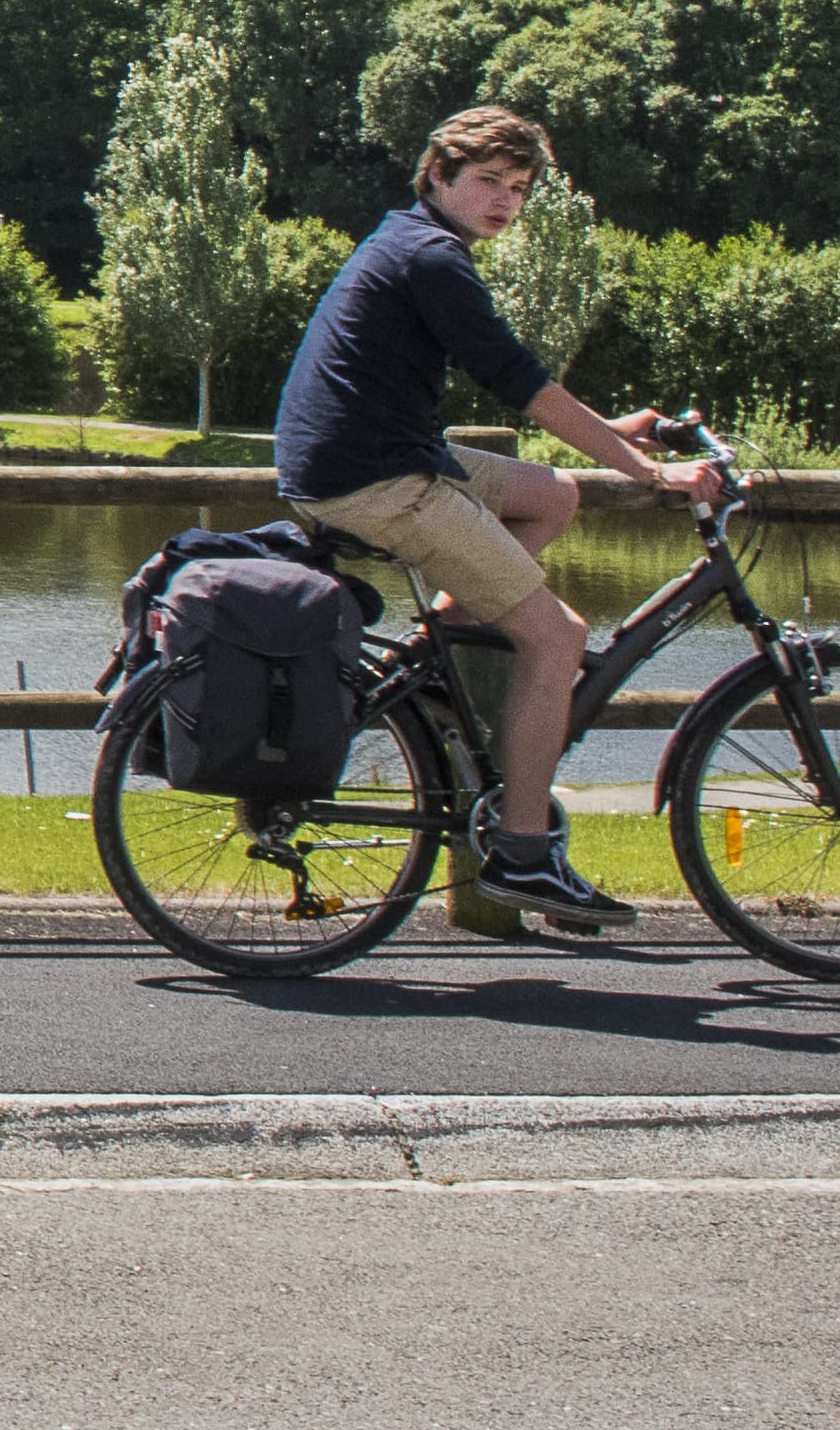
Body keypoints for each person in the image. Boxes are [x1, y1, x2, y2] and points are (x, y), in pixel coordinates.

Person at [272, 101, 728, 936]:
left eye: (518, 188)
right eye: (487, 181)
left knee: (553, 493)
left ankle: (431, 663)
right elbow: (519, 381)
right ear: (438, 174)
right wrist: (651, 469)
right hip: (377, 481)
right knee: (555, 638)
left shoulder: (409, 240)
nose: (505, 202)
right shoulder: (434, 258)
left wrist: (610, 439)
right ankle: (521, 852)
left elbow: (522, 384)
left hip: (382, 457)